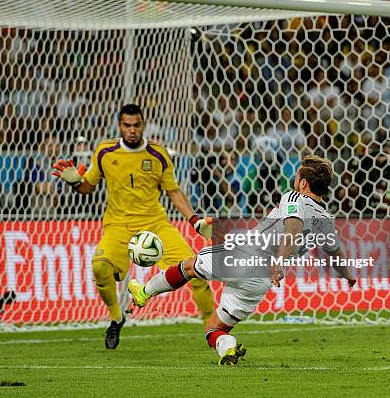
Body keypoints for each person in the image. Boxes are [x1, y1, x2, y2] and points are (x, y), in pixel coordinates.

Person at [127, 155, 356, 365]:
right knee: (215, 328)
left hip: (245, 258)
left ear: (303, 183)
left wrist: (279, 259)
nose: (294, 180)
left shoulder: (293, 197)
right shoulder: (326, 219)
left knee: (188, 266)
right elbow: (334, 252)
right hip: (261, 282)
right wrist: (348, 275)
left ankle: (144, 292)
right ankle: (228, 346)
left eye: (297, 176)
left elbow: (294, 227)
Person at [52, 104, 214, 349]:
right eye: (127, 125)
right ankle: (117, 318)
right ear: (119, 125)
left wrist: (194, 220)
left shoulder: (158, 154)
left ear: (143, 125)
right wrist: (75, 182)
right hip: (118, 225)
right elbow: (88, 187)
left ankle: (213, 330)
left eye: (136, 125)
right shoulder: (105, 152)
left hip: (155, 224)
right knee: (99, 268)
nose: (132, 130)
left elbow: (173, 191)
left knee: (197, 270)